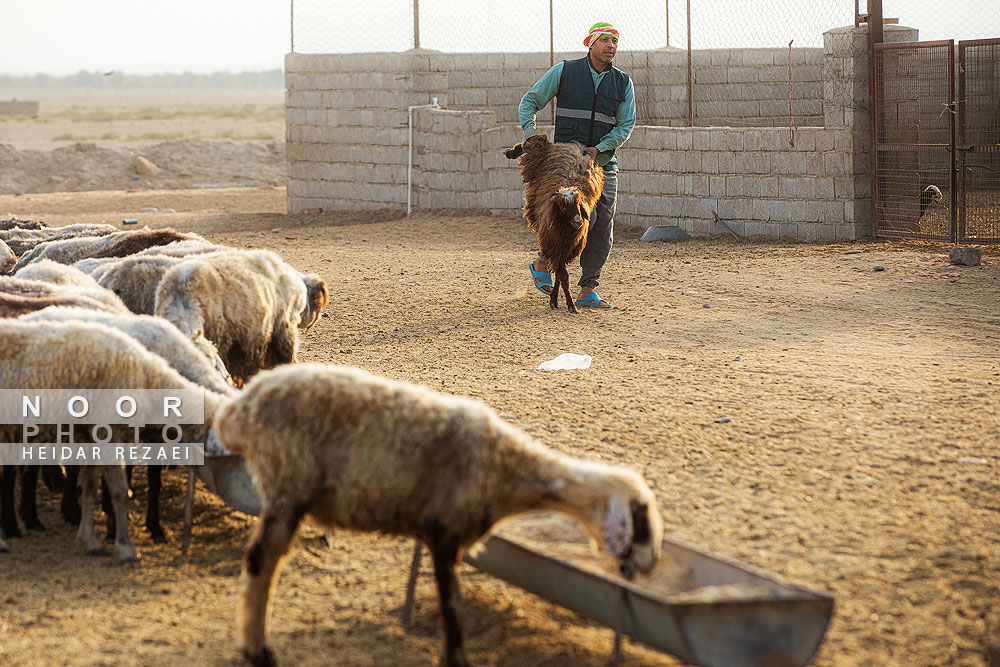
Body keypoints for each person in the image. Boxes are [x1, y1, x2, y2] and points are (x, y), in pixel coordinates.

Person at [519, 21, 636, 309]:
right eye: (604, 40)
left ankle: (587, 289)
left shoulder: (623, 82)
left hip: (603, 165)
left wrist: (601, 148)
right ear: (590, 43)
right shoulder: (564, 72)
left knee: (602, 223)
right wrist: (530, 134)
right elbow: (530, 101)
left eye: (615, 41)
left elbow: (626, 124)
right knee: (569, 217)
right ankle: (544, 261)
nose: (611, 46)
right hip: (566, 166)